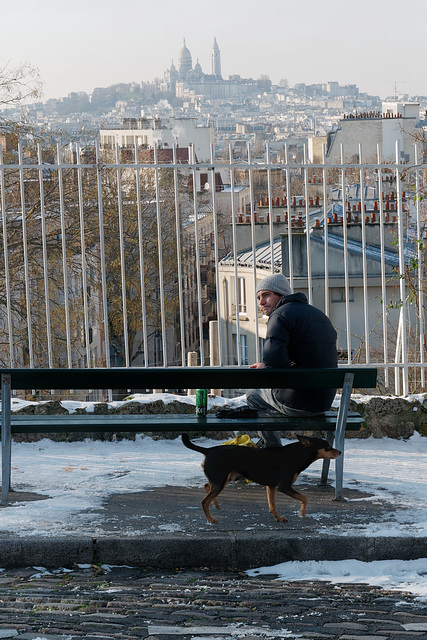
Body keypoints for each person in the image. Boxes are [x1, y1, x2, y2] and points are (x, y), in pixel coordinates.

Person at [246, 273, 338, 448]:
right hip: (323, 402)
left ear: (281, 294)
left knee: (253, 396)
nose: (261, 302)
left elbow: (274, 363)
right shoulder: (319, 315)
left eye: (266, 295)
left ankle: (271, 448)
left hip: (297, 402)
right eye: (259, 297)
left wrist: (266, 366)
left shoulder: (280, 315)